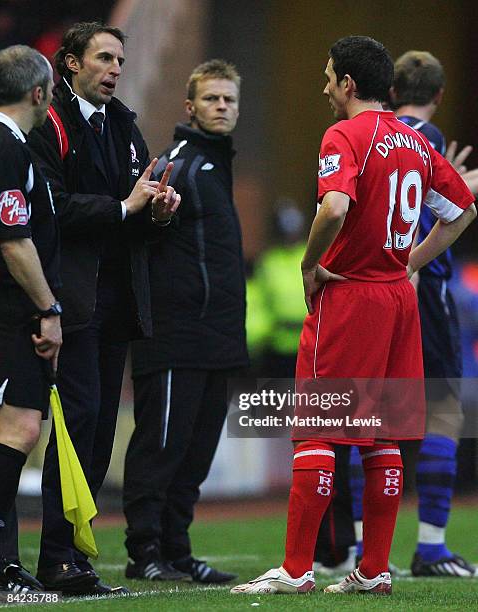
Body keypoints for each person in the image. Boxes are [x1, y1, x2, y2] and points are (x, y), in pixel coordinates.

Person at [231, 35, 476, 597]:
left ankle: (296, 572)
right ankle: (375, 571)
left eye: (327, 75)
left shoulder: (345, 134)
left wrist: (312, 264)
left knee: (318, 431)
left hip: (352, 295)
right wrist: (409, 261)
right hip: (398, 299)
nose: (323, 86)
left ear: (347, 82)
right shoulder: (412, 142)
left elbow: (335, 205)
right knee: (383, 436)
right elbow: (462, 210)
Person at [26, 22, 180, 596]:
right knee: (77, 427)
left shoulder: (124, 126)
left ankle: (73, 557)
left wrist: (160, 210)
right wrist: (123, 206)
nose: (115, 69)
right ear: (69, 64)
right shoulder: (51, 126)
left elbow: (136, 214)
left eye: (120, 60)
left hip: (115, 302)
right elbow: (51, 209)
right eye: (104, 59)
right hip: (69, 303)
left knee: (96, 434)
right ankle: (55, 557)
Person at [348, 50, 478, 578]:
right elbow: (440, 212)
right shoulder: (429, 140)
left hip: (368, 287)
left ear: (394, 91)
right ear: (439, 95)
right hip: (420, 285)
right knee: (443, 411)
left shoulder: (369, 133)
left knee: (365, 415)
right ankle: (430, 547)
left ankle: (361, 549)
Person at [123, 59, 248, 584]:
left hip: (218, 337)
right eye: (213, 98)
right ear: (190, 106)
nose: (222, 107)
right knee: (162, 448)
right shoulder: (176, 165)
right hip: (176, 337)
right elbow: (144, 232)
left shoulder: (217, 165)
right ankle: (143, 551)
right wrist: (158, 215)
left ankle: (176, 549)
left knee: (196, 455)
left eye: (230, 99)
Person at [0, 45, 61, 593]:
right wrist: (49, 307)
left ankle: (6, 563)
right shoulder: (7, 146)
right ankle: (2, 566)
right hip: (9, 315)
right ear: (38, 94)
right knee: (20, 427)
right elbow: (14, 240)